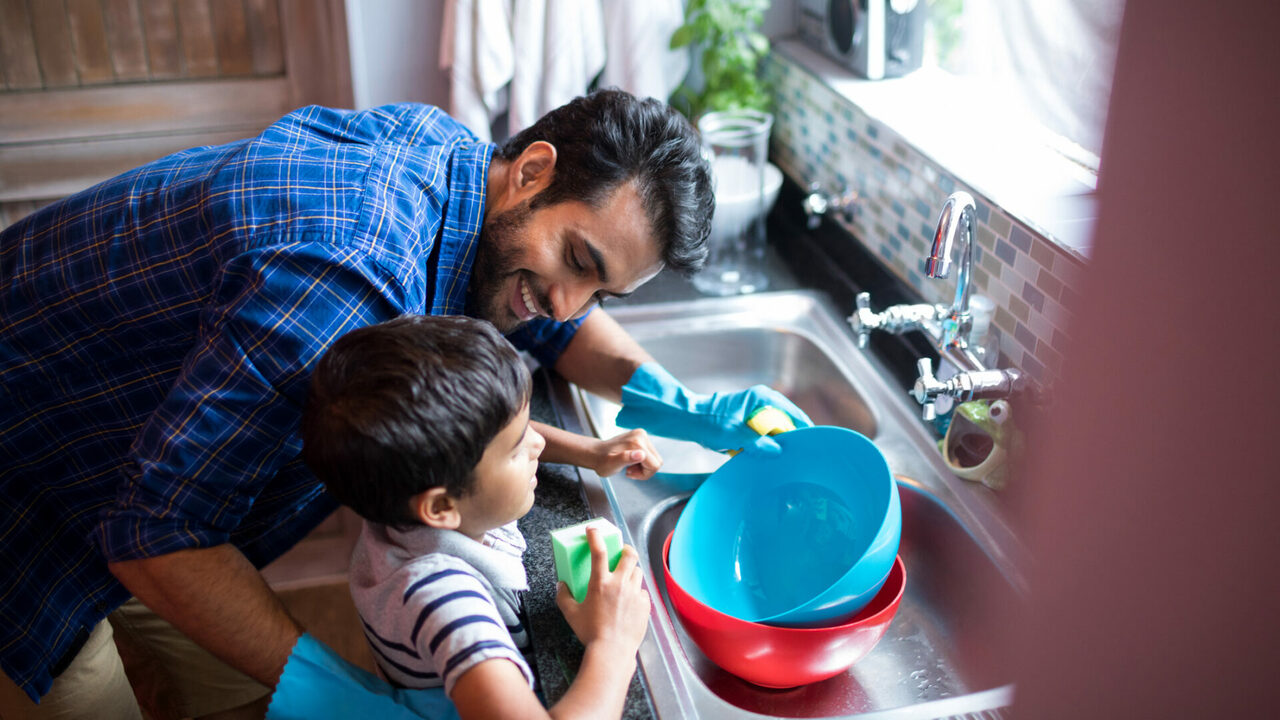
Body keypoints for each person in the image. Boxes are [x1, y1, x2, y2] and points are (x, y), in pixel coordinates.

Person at [0, 89, 811, 718]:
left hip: (154, 475)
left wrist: (681, 405)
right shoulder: (342, 280)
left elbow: (540, 314)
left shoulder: (463, 169)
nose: (571, 305)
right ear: (532, 171)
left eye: (603, 288)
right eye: (578, 260)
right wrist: (348, 698)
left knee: (229, 693)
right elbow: (152, 534)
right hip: (32, 488)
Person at [295, 313, 649, 719]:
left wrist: (591, 451)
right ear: (442, 507)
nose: (536, 442)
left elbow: (493, 436)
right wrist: (613, 643)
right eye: (519, 450)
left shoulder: (400, 496)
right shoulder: (444, 597)